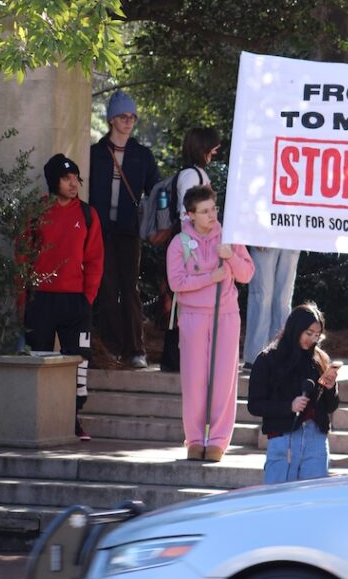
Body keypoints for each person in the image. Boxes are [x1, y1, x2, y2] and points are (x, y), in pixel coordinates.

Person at [166, 184, 253, 461]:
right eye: (204, 211)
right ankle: (194, 439)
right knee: (194, 379)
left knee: (224, 378)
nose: (211, 215)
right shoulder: (179, 243)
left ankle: (217, 440)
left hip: (225, 314)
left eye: (213, 208)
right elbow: (176, 282)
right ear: (190, 214)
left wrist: (231, 256)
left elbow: (247, 274)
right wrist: (209, 278)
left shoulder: (229, 238)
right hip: (192, 317)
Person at [21, 154, 104, 440]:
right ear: (53, 181)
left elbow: (95, 260)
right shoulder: (36, 212)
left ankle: (73, 419)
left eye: (76, 179)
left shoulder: (88, 214)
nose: (73, 184)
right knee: (38, 359)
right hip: (41, 299)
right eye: (67, 179)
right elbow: (23, 256)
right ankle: (37, 423)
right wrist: (23, 299)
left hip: (76, 302)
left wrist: (87, 298)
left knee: (79, 362)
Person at [89, 90, 160, 368]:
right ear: (111, 119)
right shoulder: (95, 153)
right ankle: (112, 347)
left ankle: (135, 349)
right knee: (106, 287)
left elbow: (156, 191)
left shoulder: (141, 155)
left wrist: (158, 221)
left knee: (130, 289)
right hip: (102, 229)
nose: (128, 121)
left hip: (130, 230)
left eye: (132, 116)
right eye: (122, 116)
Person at [247, 303, 340, 483]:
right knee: (278, 499)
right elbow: (255, 404)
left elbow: (331, 406)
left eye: (317, 335)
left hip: (316, 438)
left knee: (312, 500)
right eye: (308, 333)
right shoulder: (268, 360)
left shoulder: (320, 359)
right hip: (283, 437)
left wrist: (331, 389)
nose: (312, 339)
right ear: (295, 329)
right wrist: (288, 406)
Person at [160, 126, 220, 372]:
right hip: (188, 243)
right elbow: (188, 214)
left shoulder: (194, 174)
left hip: (192, 242)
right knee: (179, 302)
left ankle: (179, 357)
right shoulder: (191, 176)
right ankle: (173, 357)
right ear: (203, 147)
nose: (215, 152)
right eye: (212, 147)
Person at [242, 247, 301, 370]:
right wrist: (257, 234)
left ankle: (281, 354)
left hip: (292, 235)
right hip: (265, 234)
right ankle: (255, 357)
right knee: (261, 297)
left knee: (284, 299)